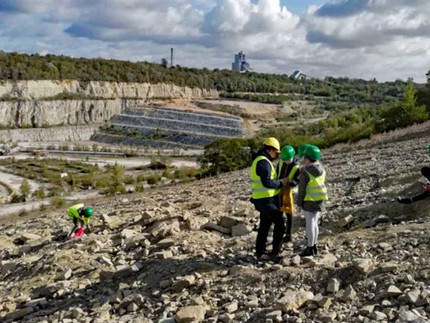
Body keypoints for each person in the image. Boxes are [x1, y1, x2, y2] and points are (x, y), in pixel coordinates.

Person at [250, 137, 289, 261]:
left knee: (265, 225)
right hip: (266, 201)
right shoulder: (263, 162)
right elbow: (267, 182)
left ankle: (260, 252)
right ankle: (274, 253)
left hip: (262, 200)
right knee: (280, 225)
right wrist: (281, 183)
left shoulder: (259, 160)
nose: (275, 155)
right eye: (275, 152)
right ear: (270, 149)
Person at [296, 145, 328, 257]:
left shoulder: (306, 172)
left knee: (310, 225)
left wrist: (299, 203)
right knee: (315, 224)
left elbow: (302, 190)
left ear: (306, 158)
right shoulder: (322, 169)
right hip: (320, 200)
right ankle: (314, 246)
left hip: (309, 201)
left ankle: (310, 248)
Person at [277, 145, 300, 243]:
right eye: (285, 159)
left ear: (293, 156)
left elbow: (298, 178)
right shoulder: (281, 162)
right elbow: (277, 173)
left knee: (289, 213)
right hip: (280, 189)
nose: (287, 161)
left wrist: (293, 182)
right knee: (279, 211)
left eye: (288, 159)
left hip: (291, 191)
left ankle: (288, 234)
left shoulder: (297, 166)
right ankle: (279, 231)